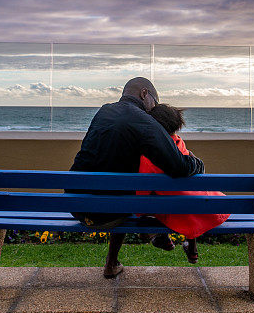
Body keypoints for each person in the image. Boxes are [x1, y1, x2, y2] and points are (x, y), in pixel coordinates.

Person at [70, 77, 204, 278]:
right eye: (154, 102)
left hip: (77, 205)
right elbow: (179, 166)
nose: (153, 109)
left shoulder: (104, 111)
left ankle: (113, 262)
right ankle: (152, 234)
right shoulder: (144, 120)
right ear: (144, 94)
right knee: (128, 198)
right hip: (108, 214)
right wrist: (198, 164)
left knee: (120, 189)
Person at [138, 103, 230, 264]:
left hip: (174, 211)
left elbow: (142, 191)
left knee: (154, 201)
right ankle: (191, 246)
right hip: (200, 207)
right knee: (188, 198)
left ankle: (159, 235)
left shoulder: (148, 155)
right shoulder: (180, 145)